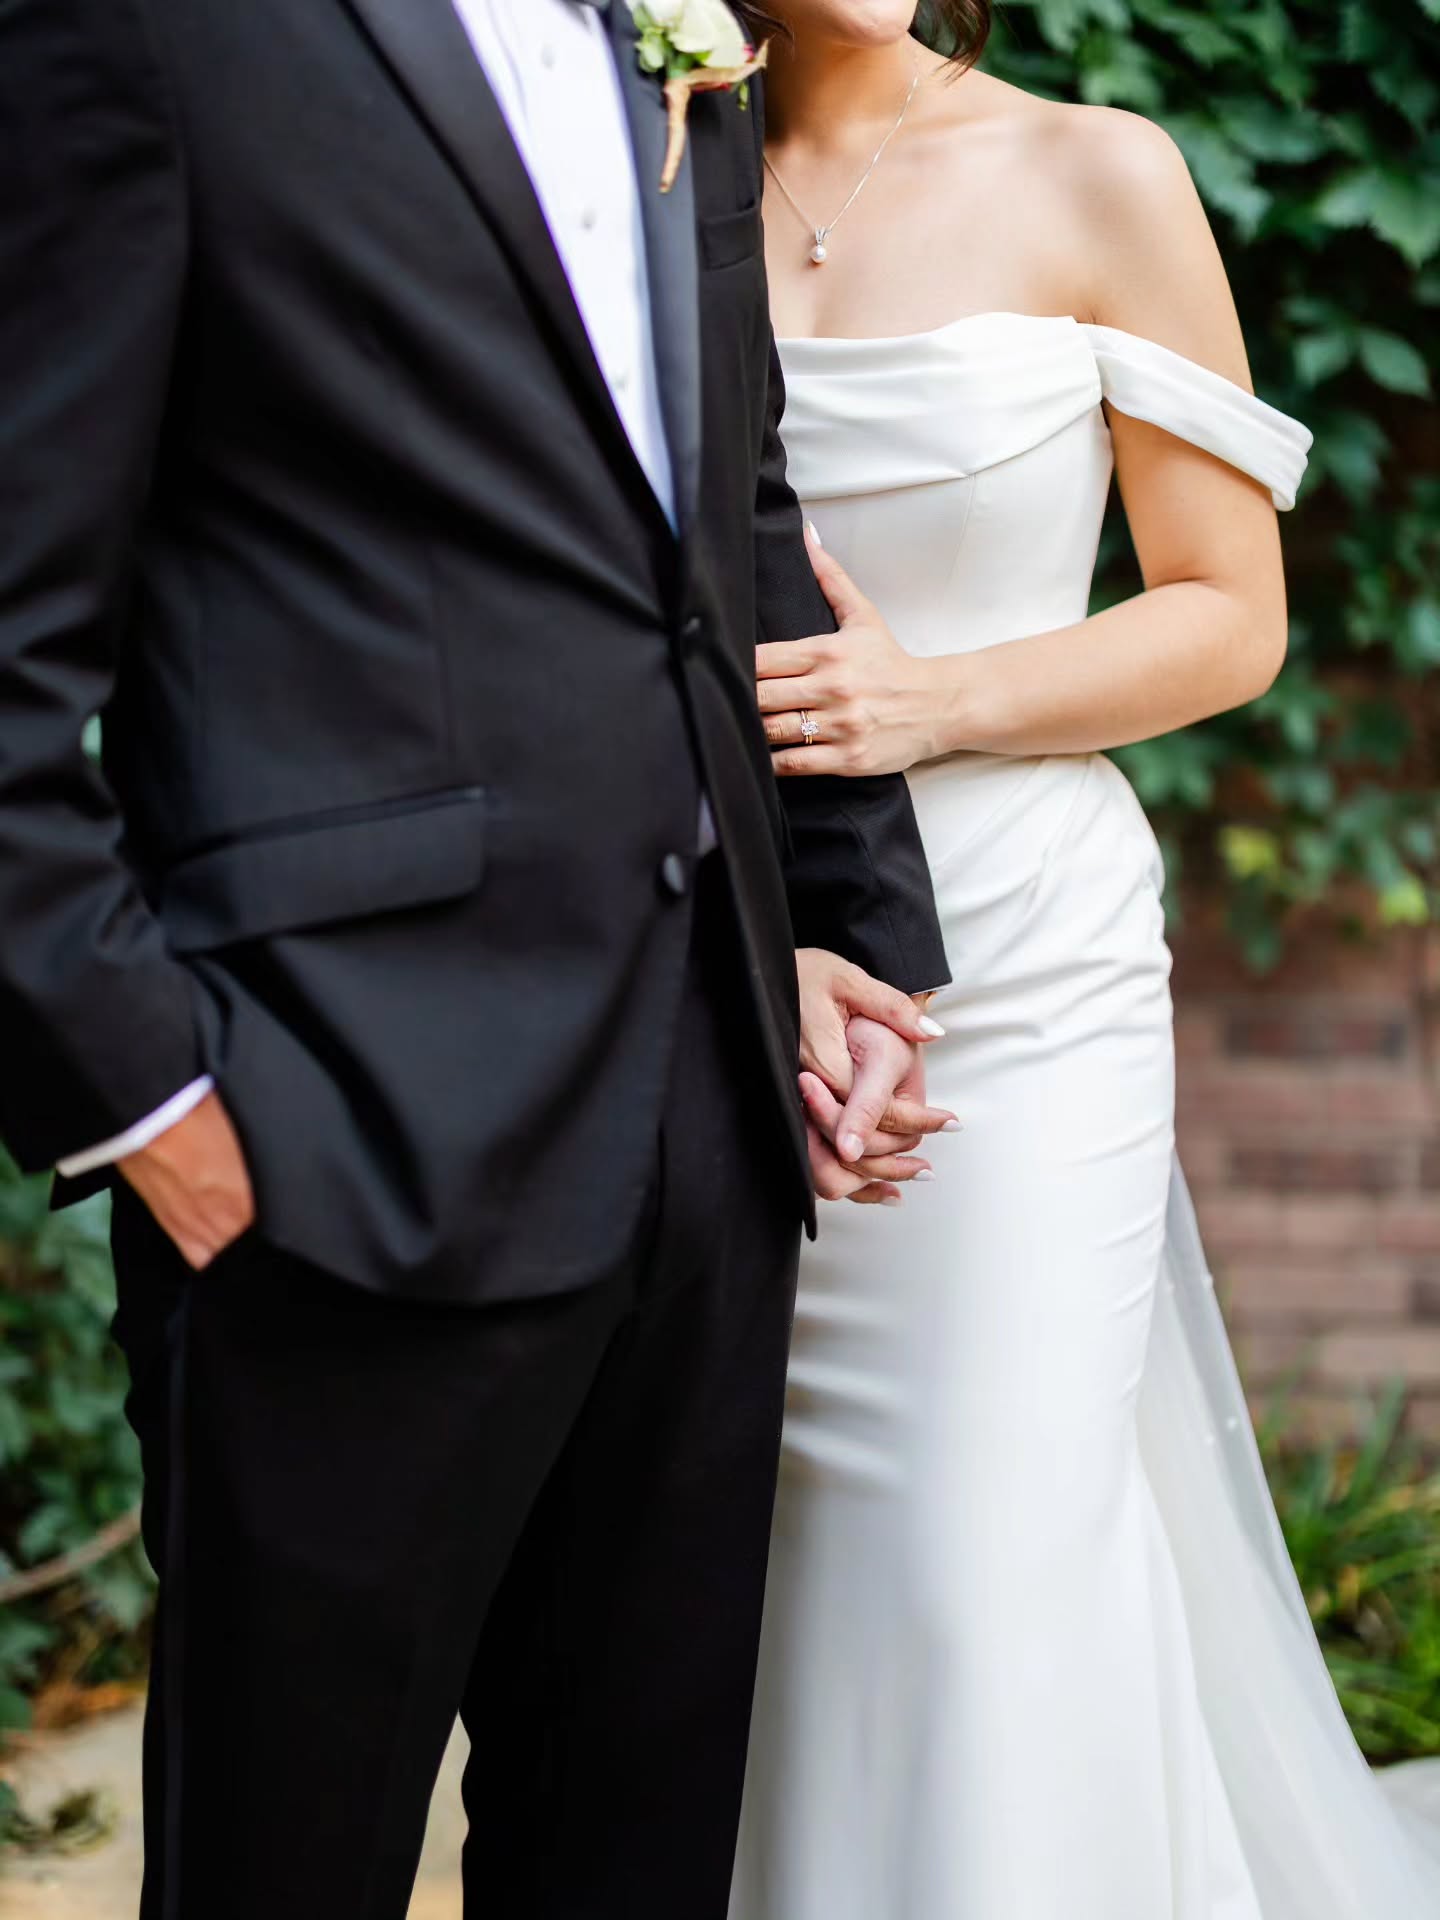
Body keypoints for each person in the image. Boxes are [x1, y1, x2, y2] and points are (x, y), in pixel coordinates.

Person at [0, 1, 954, 1914]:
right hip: (335, 1136)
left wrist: (835, 926)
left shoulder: (675, 36)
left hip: (709, 1130)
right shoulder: (154, 36)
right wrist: (152, 1097)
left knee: (634, 1861)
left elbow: (735, 516)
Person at [729, 4, 1440, 1916]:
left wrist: (927, 702)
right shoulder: (651, 169)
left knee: (980, 1561)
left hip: (1026, 980)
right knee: (766, 1594)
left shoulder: (1096, 171)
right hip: (729, 967)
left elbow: (1228, 616)